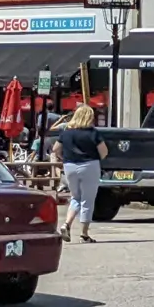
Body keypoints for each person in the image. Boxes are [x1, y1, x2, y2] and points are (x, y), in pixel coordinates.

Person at [51, 104, 104, 243]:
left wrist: (65, 158)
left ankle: (66, 224)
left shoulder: (66, 132)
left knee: (75, 197)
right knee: (88, 199)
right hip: (89, 165)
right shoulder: (93, 132)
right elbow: (103, 152)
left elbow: (56, 149)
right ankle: (84, 234)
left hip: (70, 166)